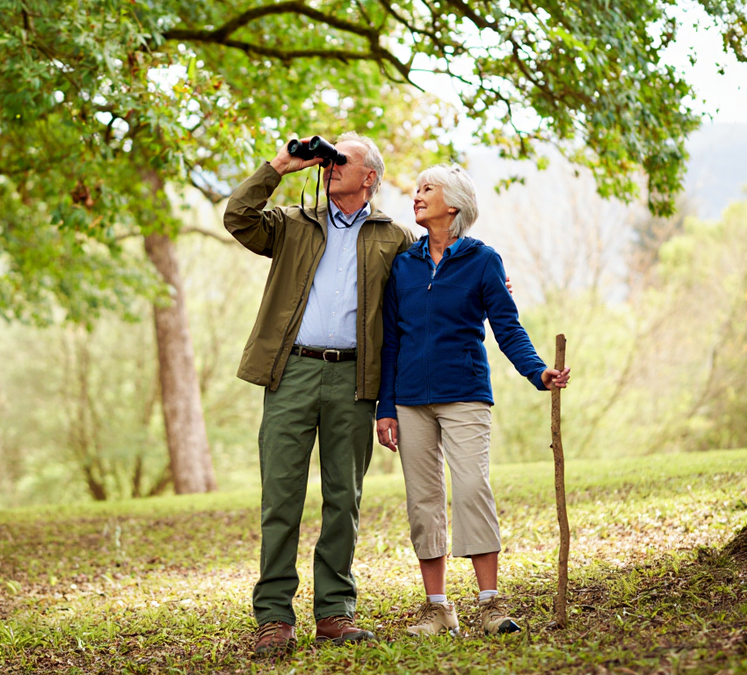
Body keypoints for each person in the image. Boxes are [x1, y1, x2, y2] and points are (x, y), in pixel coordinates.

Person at [224, 132, 414, 658]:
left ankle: (334, 612)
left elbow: (430, 281)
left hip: (354, 382)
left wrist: (491, 278)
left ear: (370, 177)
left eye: (342, 161)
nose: (330, 167)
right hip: (292, 374)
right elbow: (238, 217)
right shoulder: (291, 224)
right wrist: (279, 167)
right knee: (280, 498)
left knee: (342, 501)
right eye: (327, 161)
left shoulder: (393, 236)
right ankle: (273, 618)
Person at [374, 164, 570, 638]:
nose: (416, 196)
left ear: (454, 204)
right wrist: (385, 407)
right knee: (423, 500)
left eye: (427, 189)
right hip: (409, 400)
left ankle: (490, 604)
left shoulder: (484, 261)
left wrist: (538, 371)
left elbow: (507, 328)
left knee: (471, 489)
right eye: (416, 189)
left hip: (464, 394)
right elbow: (390, 342)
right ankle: (438, 608)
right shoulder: (404, 263)